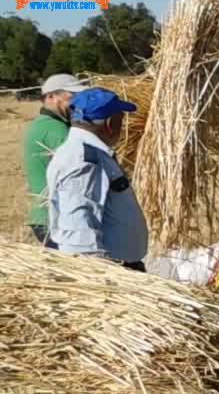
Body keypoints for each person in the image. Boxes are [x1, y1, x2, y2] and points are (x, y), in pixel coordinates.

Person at [46, 87, 149, 271]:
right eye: (121, 119)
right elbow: (78, 229)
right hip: (112, 271)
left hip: (117, 268)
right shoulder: (84, 160)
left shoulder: (84, 151)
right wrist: (98, 276)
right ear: (110, 123)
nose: (122, 126)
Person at [22, 73, 90, 249]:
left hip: (48, 218)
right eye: (71, 97)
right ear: (51, 97)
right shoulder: (55, 129)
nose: (77, 103)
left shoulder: (45, 124)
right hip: (55, 220)